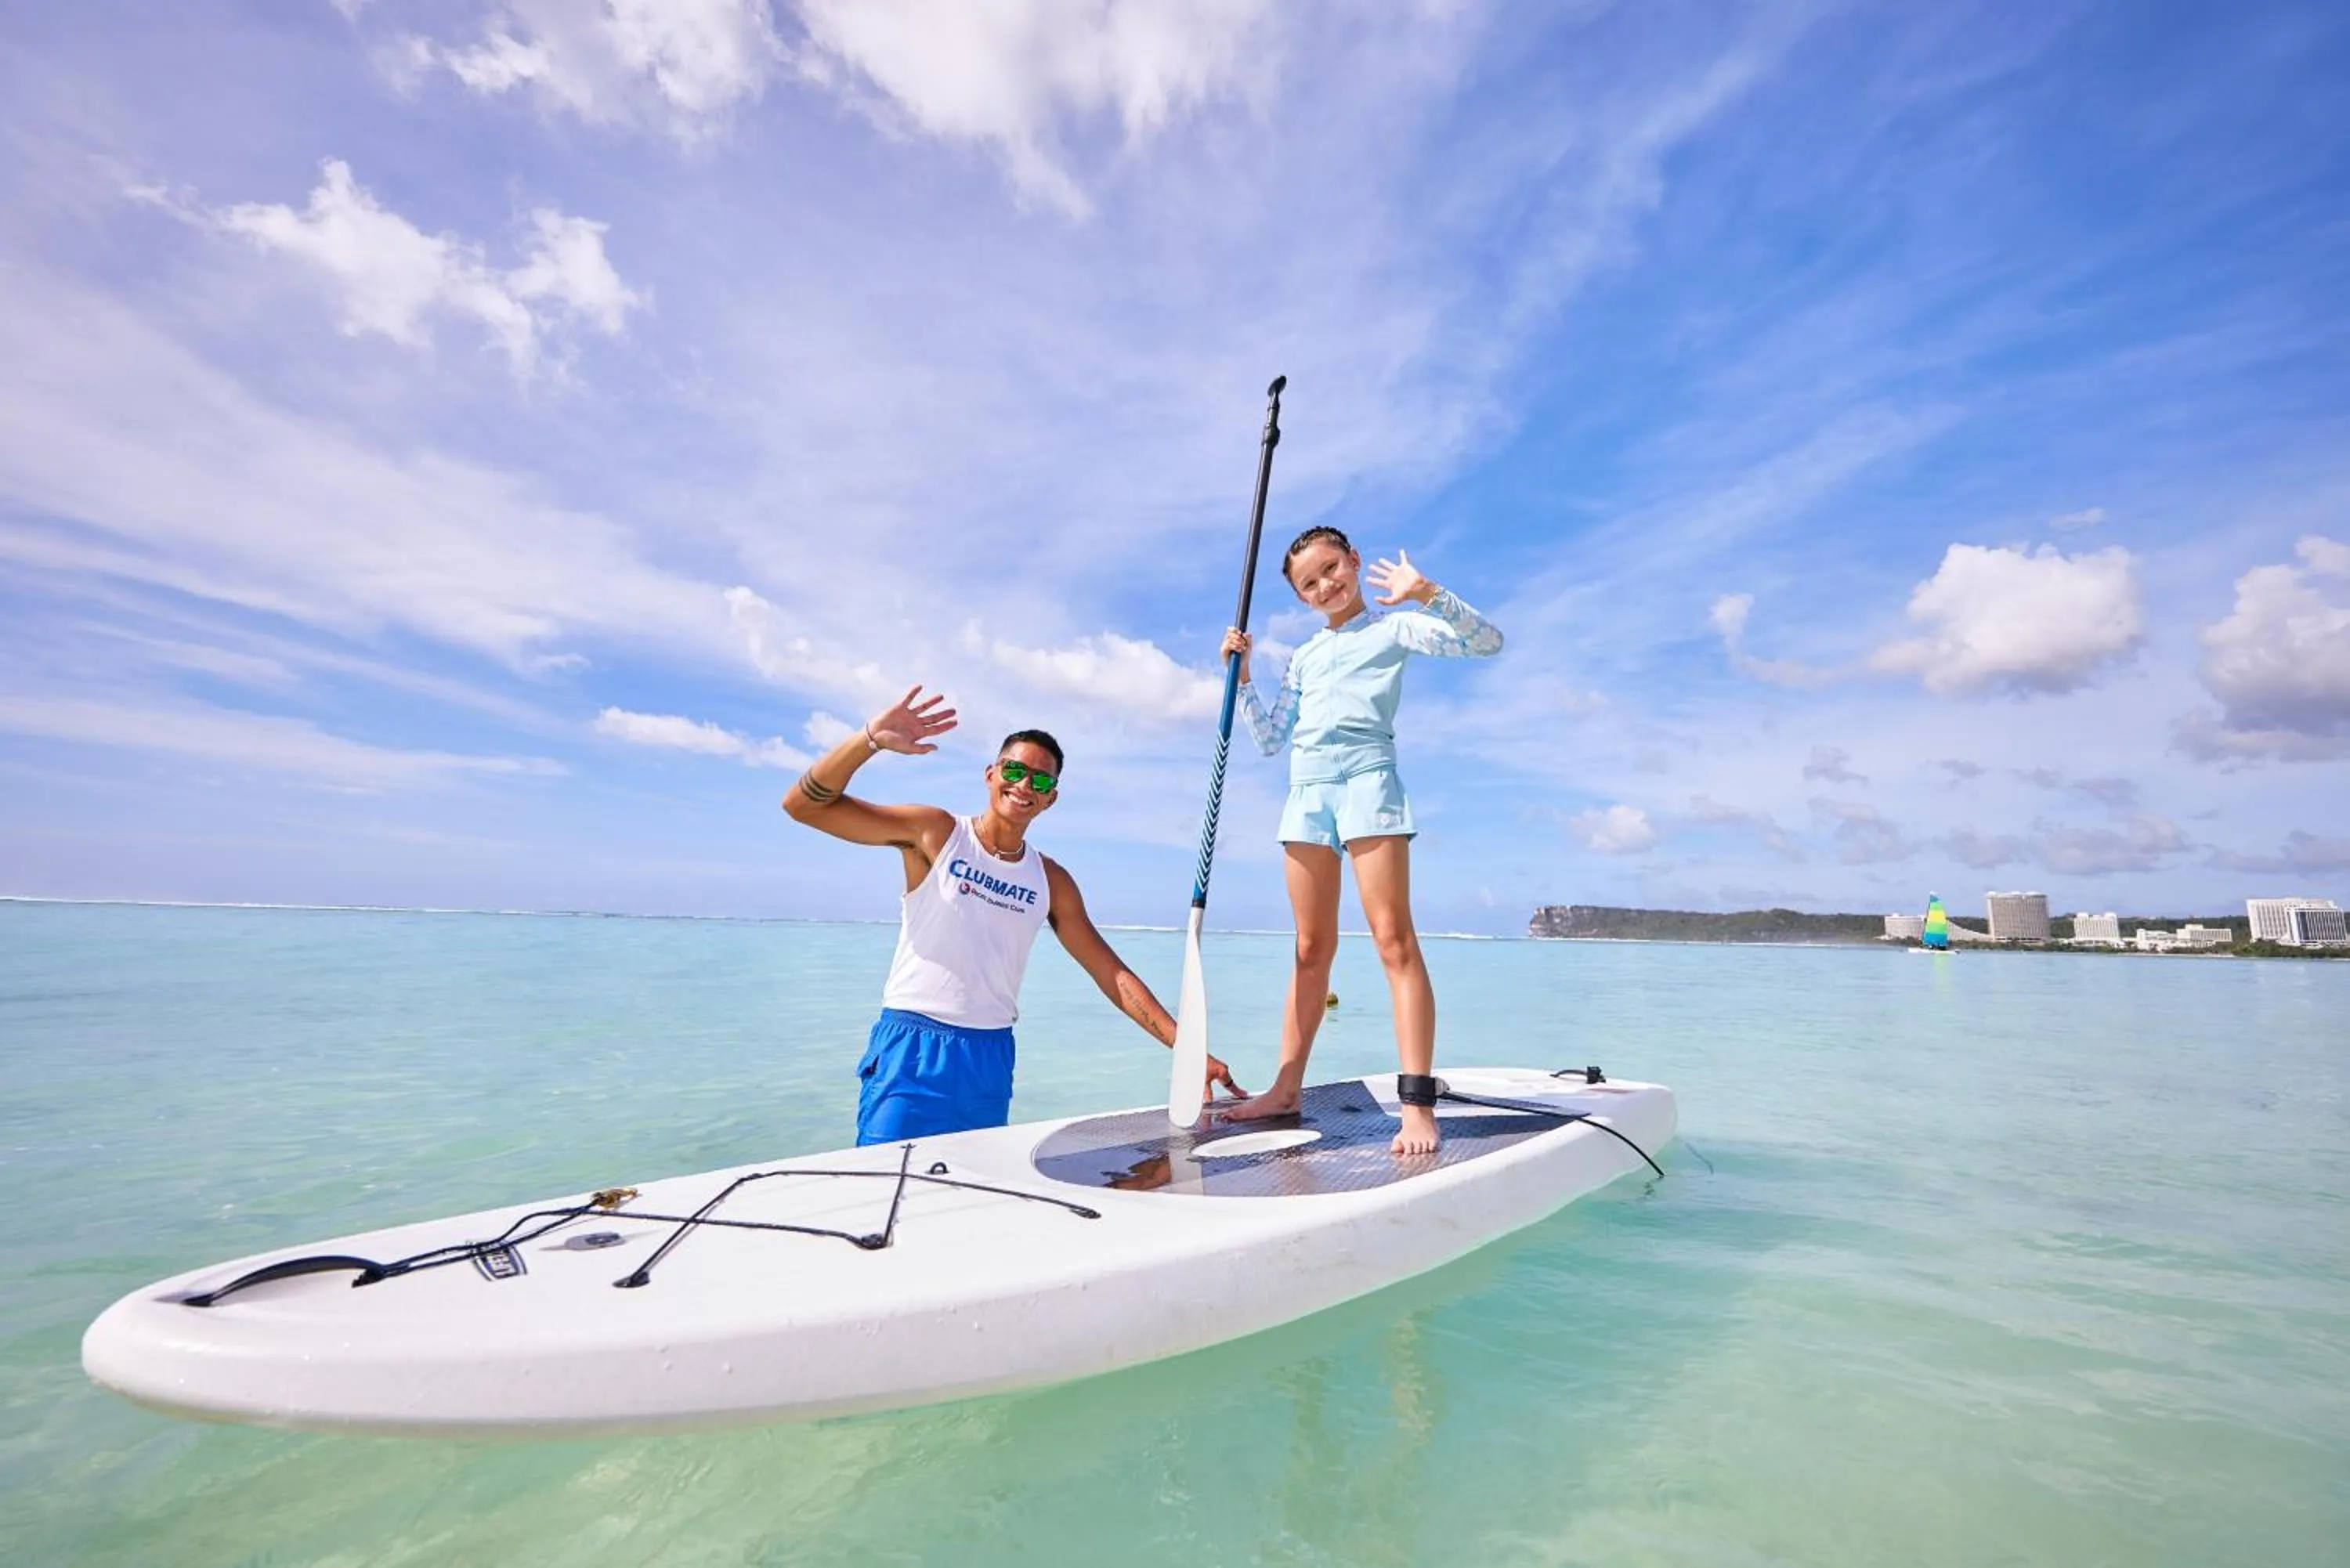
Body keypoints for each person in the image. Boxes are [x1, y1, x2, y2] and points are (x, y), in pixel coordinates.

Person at [783, 686, 1244, 1144]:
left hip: (989, 1057)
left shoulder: (1051, 880)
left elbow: (1112, 974)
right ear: (991, 774)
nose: (1024, 786)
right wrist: (868, 740)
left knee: (973, 1203)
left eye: (1040, 781)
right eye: (1015, 771)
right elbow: (803, 807)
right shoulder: (936, 833)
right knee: (885, 1195)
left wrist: (1186, 1050)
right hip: (913, 1048)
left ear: (1051, 799)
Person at [1218, 528, 1502, 1155]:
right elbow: (1270, 739)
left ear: (1353, 561)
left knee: (1393, 940)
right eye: (1308, 583)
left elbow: (1486, 642)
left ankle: (1417, 1106)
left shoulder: (1394, 628)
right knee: (1309, 949)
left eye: (1331, 569)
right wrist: (1241, 681)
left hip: (1370, 781)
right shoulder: (1303, 657)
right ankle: (1286, 1088)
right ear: (1300, 597)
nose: (1325, 586)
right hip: (1308, 792)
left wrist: (1428, 594)